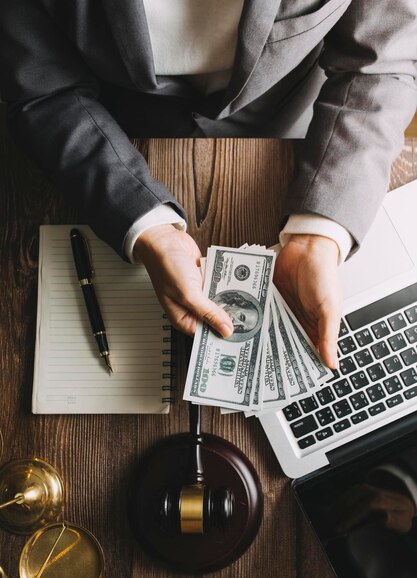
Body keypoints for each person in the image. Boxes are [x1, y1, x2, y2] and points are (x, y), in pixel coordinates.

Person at [1, 1, 416, 370]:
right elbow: (44, 89)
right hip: (110, 126)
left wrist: (320, 236)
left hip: (286, 122)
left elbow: (381, 64)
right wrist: (146, 226)